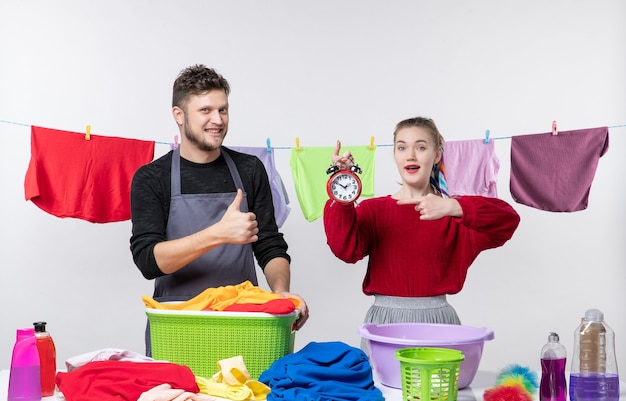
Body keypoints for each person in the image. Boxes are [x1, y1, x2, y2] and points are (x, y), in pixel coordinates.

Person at [130, 65, 309, 352]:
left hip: (242, 321)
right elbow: (149, 261)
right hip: (177, 324)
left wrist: (280, 294)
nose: (218, 120)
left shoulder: (249, 169)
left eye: (223, 110)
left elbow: (270, 246)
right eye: (206, 111)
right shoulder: (152, 178)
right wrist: (218, 233)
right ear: (179, 115)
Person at [323, 117, 520, 343]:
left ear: (436, 155)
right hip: (385, 324)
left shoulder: (453, 213)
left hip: (439, 324)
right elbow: (345, 250)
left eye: (421, 147)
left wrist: (453, 206)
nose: (410, 155)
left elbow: (508, 220)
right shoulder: (373, 210)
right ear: (395, 155)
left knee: (439, 380)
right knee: (382, 380)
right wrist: (342, 184)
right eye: (402, 147)